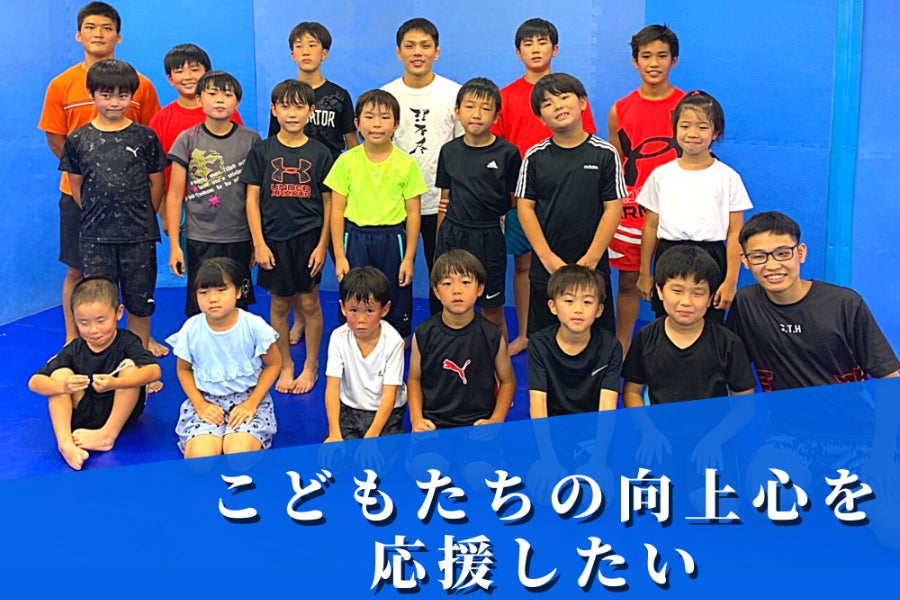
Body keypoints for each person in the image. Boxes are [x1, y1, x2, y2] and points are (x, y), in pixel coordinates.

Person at [38, 1, 162, 353]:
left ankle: (139, 345)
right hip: (81, 198)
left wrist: (143, 205)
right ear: (79, 34)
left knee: (137, 284)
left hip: (133, 209)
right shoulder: (61, 84)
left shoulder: (141, 84)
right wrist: (92, 175)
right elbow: (56, 137)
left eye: (107, 27)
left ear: (118, 36)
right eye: (90, 27)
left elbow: (151, 145)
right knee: (79, 272)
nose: (98, 33)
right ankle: (74, 341)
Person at [492, 18, 598, 355]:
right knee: (524, 265)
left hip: (570, 199)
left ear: (555, 48)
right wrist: (511, 195)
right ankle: (527, 333)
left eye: (542, 43)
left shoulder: (570, 94)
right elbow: (499, 148)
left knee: (575, 266)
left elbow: (588, 142)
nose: (535, 50)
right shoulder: (506, 96)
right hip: (521, 199)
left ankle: (578, 333)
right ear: (518, 52)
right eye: (528, 44)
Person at [58, 59, 167, 381]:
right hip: (96, 239)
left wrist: (142, 218)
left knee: (139, 302)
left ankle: (139, 367)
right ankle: (104, 366)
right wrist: (98, 217)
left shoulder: (145, 137)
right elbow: (77, 186)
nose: (114, 103)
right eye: (106, 95)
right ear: (92, 94)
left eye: (123, 96)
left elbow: (157, 184)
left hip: (138, 237)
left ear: (132, 96)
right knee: (99, 305)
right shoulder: (78, 139)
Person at [727, 211, 900, 391]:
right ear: (745, 260)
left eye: (783, 253)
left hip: (848, 409)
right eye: (758, 256)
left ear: (801, 253)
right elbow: (736, 370)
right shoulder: (746, 303)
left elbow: (888, 376)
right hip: (784, 411)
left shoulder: (845, 304)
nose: (772, 265)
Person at [267, 21, 359, 346]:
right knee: (298, 261)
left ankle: (351, 320)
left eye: (313, 46)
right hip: (295, 190)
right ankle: (301, 320)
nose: (306, 52)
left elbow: (352, 142)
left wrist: (354, 182)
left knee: (339, 256)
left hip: (333, 189)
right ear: (292, 54)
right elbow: (273, 145)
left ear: (325, 53)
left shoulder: (339, 96)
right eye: (300, 46)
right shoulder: (283, 96)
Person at [516, 73, 625, 338]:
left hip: (592, 265)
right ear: (541, 117)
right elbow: (525, 208)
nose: (558, 106)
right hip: (547, 266)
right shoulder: (535, 156)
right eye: (548, 103)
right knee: (544, 336)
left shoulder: (604, 153)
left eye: (564, 97)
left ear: (583, 102)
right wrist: (546, 257)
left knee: (596, 337)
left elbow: (613, 208)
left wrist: (592, 258)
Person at [243, 80, 333, 394]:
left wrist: (322, 245)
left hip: (309, 240)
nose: (292, 113)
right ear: (274, 110)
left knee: (309, 302)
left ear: (311, 111)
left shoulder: (320, 153)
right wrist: (259, 243)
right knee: (279, 305)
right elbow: (251, 200)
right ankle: (285, 364)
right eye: (285, 106)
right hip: (273, 240)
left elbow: (329, 203)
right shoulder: (262, 151)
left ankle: (311, 365)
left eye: (299, 106)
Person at [636, 91, 752, 323]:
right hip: (669, 254)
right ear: (675, 129)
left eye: (702, 127)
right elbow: (650, 226)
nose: (692, 134)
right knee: (667, 321)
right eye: (685, 126)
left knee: (710, 324)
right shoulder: (661, 175)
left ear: (715, 132)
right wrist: (645, 272)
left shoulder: (728, 177)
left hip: (712, 256)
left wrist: (731, 280)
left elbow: (735, 233)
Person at [607, 24, 685, 355]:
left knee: (678, 281)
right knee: (629, 282)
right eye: (646, 56)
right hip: (633, 210)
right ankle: (623, 345)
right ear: (635, 61)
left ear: (674, 60)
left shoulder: (688, 105)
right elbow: (617, 166)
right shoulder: (620, 109)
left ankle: (674, 348)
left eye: (662, 56)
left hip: (678, 209)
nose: (654, 63)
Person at [28, 277, 161, 471]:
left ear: (118, 313)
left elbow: (154, 371)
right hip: (84, 412)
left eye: (101, 321)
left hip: (120, 413)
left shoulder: (127, 341)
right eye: (84, 323)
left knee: (131, 369)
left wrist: (116, 383)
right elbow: (34, 382)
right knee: (59, 375)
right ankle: (65, 444)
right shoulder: (75, 349)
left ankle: (107, 435)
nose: (94, 330)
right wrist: (63, 386)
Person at [325, 89, 427, 340]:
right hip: (356, 238)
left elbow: (414, 213)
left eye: (385, 117)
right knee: (355, 291)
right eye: (369, 117)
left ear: (396, 124)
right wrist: (339, 255)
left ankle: (397, 339)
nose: (377, 124)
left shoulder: (407, 164)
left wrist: (409, 258)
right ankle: (355, 338)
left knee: (396, 290)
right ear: (357, 123)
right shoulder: (346, 162)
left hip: (393, 239)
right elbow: (336, 211)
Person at [382, 17, 464, 316]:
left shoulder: (454, 94)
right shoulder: (386, 96)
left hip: (441, 202)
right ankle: (394, 330)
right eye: (410, 46)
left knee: (442, 272)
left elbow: (463, 150)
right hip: (394, 203)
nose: (417, 52)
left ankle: (441, 328)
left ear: (436, 52)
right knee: (393, 273)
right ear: (398, 52)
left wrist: (452, 198)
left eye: (425, 45)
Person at [165, 71, 260, 318]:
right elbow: (174, 196)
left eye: (227, 95)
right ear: (199, 99)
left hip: (239, 238)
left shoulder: (251, 140)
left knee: (238, 303)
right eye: (212, 93)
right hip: (200, 238)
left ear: (237, 103)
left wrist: (256, 240)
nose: (220, 100)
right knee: (202, 303)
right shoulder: (187, 140)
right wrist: (175, 245)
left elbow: (256, 196)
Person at [166, 258, 281, 458]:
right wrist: (201, 405)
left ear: (238, 292)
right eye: (204, 292)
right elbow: (183, 370)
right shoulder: (191, 329)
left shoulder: (254, 325)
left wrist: (251, 403)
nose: (213, 299)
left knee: (237, 456)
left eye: (221, 290)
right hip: (207, 400)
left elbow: (274, 364)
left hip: (248, 399)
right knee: (200, 459)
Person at [435, 77, 522, 341]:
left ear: (496, 115)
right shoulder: (449, 151)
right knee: (451, 305)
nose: (476, 114)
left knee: (492, 310)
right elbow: (445, 200)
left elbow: (514, 200)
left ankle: (499, 362)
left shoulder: (508, 153)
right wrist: (440, 240)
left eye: (485, 109)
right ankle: (452, 353)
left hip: (489, 236)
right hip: (453, 235)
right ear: (457, 112)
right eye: (470, 107)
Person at [623, 245, 756, 406]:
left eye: (698, 293)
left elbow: (745, 403)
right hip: (656, 422)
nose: (686, 302)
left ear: (710, 298)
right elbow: (631, 391)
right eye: (677, 291)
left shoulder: (728, 343)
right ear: (660, 291)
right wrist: (646, 423)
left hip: (715, 422)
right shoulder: (645, 337)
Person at [408, 249, 516, 430]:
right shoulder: (423, 333)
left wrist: (496, 420)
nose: (456, 290)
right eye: (447, 283)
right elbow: (414, 380)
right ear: (436, 291)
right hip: (433, 424)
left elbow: (508, 382)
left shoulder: (491, 335)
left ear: (480, 289)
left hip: (479, 425)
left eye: (465, 282)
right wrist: (417, 419)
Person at [149, 44, 243, 248]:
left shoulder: (228, 113)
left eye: (194, 69)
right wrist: (164, 213)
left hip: (226, 207)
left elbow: (239, 161)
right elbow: (156, 173)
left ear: (207, 74)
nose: (188, 76)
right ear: (170, 78)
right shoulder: (161, 120)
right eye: (179, 71)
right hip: (181, 207)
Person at [324, 267, 407, 441]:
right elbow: (332, 387)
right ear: (343, 308)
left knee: (382, 456)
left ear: (385, 309)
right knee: (336, 454)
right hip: (349, 410)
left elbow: (389, 394)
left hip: (387, 413)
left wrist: (372, 436)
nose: (361, 319)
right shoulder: (338, 337)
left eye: (369, 311)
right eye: (354, 310)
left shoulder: (394, 342)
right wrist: (334, 432)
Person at [529, 265, 621, 417]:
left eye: (587, 302)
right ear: (553, 306)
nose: (578, 309)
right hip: (553, 425)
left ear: (599, 310)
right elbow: (537, 401)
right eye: (569, 300)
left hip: (593, 425)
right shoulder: (539, 344)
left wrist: (601, 435)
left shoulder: (610, 346)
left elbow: (607, 406)